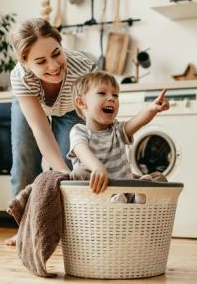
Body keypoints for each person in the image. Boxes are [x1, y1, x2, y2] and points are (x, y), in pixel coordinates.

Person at [6, 18, 96, 245]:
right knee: (25, 160)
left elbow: (94, 120)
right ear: (25, 63)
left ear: (60, 44)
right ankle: (26, 229)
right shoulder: (20, 77)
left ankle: (67, 231)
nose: (54, 66)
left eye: (56, 53)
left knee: (72, 164)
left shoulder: (85, 68)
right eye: (41, 61)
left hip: (70, 109)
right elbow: (39, 128)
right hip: (32, 103)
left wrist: (69, 171)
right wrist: (60, 171)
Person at [67, 71, 169, 202]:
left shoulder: (117, 130)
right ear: (81, 102)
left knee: (159, 178)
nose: (111, 98)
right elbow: (81, 151)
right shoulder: (79, 131)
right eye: (102, 93)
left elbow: (137, 121)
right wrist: (97, 167)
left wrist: (152, 109)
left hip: (126, 190)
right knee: (78, 174)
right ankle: (119, 200)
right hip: (98, 194)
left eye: (115, 95)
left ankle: (138, 197)